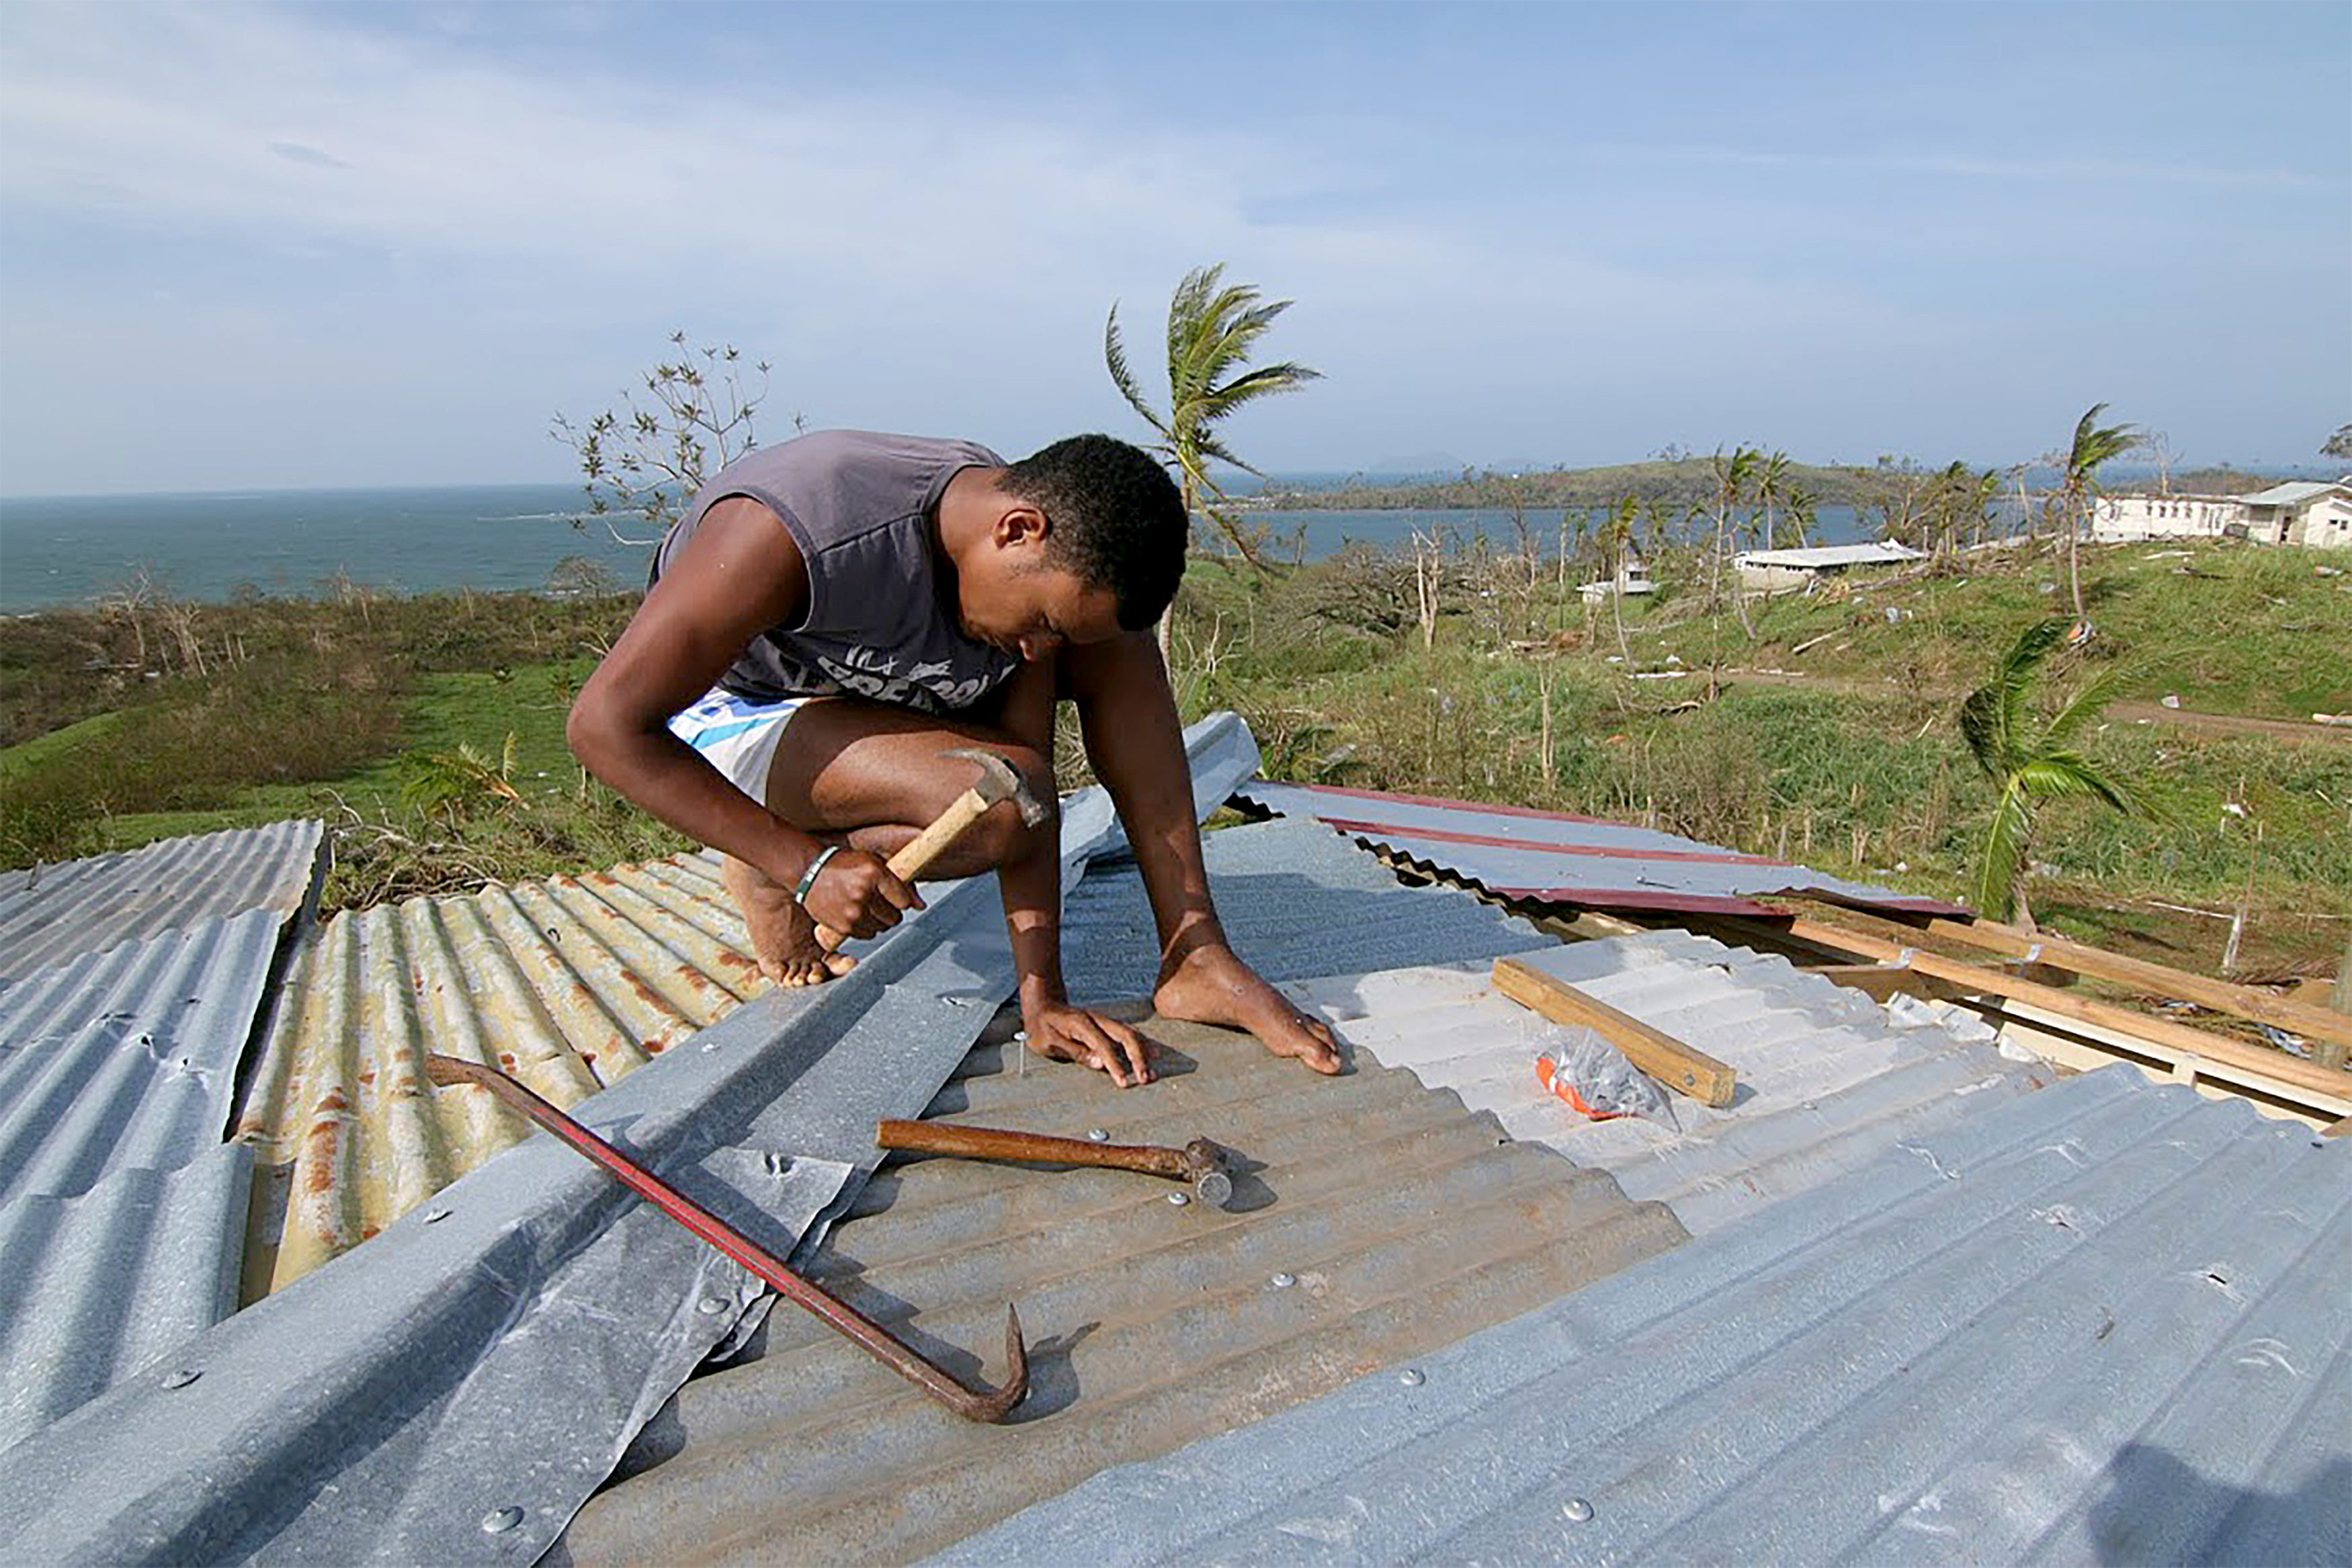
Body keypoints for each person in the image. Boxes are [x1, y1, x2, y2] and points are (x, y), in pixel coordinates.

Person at [567, 429, 1342, 1086]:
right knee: (987, 798)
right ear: (1016, 530)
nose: (1040, 651)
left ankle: (1194, 953)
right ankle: (763, 851)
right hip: (738, 713)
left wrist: (1042, 998)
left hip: (864, 708)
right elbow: (603, 726)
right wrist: (803, 864)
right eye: (1040, 621)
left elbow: (1027, 780)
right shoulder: (798, 525)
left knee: (1115, 655)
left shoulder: (1021, 562)